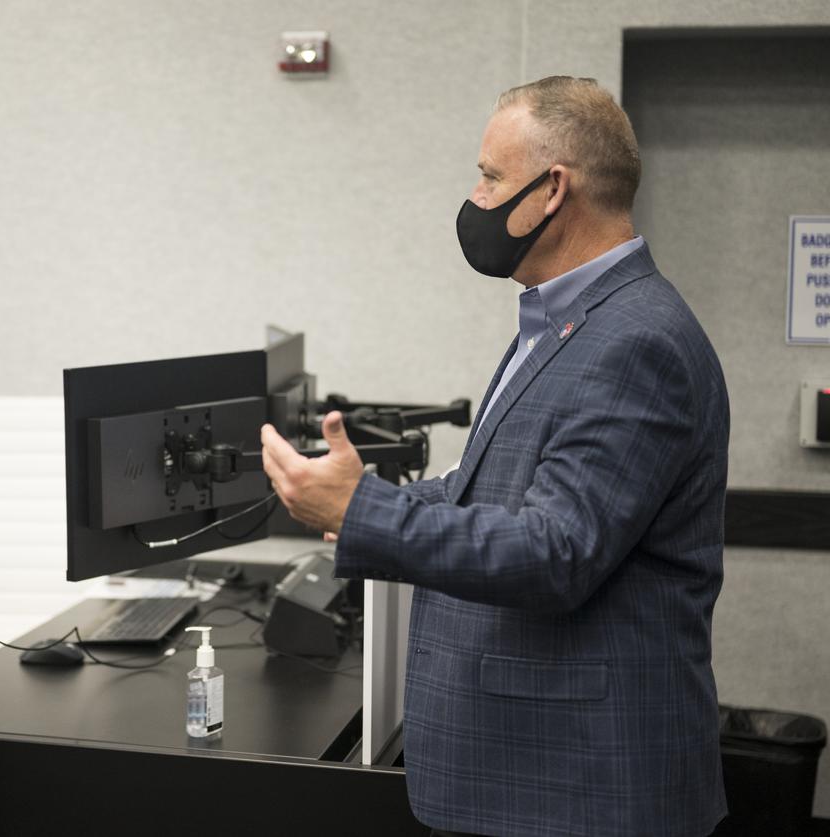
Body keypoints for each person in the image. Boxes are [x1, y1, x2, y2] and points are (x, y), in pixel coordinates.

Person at [261, 76, 729, 837]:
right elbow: (493, 490)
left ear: (552, 189)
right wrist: (363, 500)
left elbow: (556, 551)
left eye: (488, 176)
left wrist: (363, 513)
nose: (474, 198)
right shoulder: (563, 321)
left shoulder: (637, 340)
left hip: (580, 789)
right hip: (540, 778)